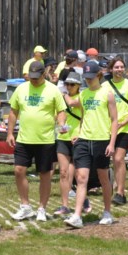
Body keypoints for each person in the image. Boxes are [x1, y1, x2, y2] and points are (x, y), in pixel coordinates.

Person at [7, 60, 67, 221]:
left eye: (36, 77)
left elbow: (61, 111)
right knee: (19, 170)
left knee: (45, 174)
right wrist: (10, 133)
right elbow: (13, 111)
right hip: (24, 138)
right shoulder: (21, 88)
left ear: (43, 74)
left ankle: (42, 208)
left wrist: (61, 124)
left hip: (45, 139)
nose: (33, 80)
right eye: (31, 77)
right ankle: (25, 206)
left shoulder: (53, 90)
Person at [64, 60, 118, 228]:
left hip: (102, 140)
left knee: (103, 177)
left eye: (91, 77)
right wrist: (78, 134)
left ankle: (107, 212)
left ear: (99, 75)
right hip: (84, 140)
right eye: (86, 77)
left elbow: (115, 120)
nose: (88, 80)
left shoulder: (107, 93)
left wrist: (112, 143)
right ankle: (77, 216)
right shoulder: (84, 94)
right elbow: (83, 117)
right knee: (81, 178)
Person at [108, 57, 128, 205]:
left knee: (119, 158)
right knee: (113, 159)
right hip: (109, 127)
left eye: (121, 67)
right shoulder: (105, 86)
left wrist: (124, 122)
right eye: (116, 67)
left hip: (125, 127)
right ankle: (115, 189)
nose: (119, 70)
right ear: (111, 69)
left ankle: (120, 192)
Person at [55, 72, 84, 216]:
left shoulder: (81, 97)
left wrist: (63, 94)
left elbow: (73, 104)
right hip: (63, 137)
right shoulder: (61, 99)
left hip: (78, 137)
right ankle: (65, 205)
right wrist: (60, 124)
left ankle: (83, 200)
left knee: (79, 174)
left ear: (79, 85)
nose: (69, 87)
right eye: (67, 84)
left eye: (72, 84)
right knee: (63, 172)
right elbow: (58, 115)